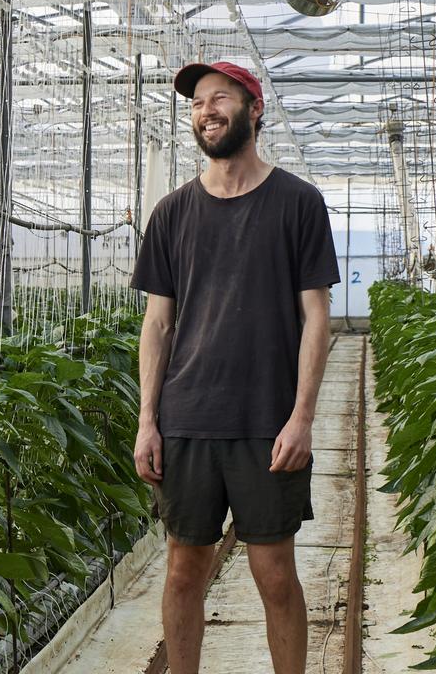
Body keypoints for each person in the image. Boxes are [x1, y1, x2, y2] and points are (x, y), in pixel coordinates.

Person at [129, 61, 340, 673]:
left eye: (220, 98)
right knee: (183, 567)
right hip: (187, 419)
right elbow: (158, 324)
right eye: (197, 103)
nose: (206, 111)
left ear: (255, 108)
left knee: (274, 575)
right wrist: (148, 421)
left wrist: (302, 418)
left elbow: (317, 320)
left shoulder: (298, 203)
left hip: (265, 422)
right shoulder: (172, 213)